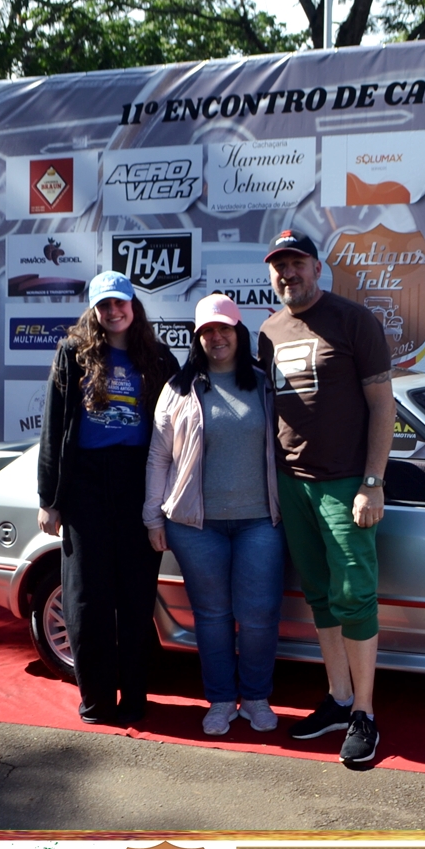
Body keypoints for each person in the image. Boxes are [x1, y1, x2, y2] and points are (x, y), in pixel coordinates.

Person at [257, 230, 394, 764]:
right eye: (279, 266)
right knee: (319, 595)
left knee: (354, 596)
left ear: (316, 267)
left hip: (345, 484)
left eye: (296, 263)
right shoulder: (268, 331)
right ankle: (338, 698)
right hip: (292, 484)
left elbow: (383, 405)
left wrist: (372, 482)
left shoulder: (354, 320)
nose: (287, 273)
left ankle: (364, 713)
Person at [37, 271, 178, 726]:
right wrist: (49, 498)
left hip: (139, 481)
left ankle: (135, 698)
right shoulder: (73, 353)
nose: (113, 312)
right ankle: (97, 700)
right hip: (86, 487)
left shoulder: (158, 356)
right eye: (104, 305)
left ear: (133, 305)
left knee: (136, 598)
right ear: (94, 310)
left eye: (120, 303)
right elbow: (53, 427)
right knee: (87, 598)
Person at [144, 294, 285, 736]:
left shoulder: (264, 383)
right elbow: (158, 458)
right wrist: (152, 518)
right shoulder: (178, 388)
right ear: (197, 338)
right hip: (195, 526)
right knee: (212, 616)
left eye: (224, 328)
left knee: (259, 615)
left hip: (260, 521)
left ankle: (256, 697)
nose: (216, 337)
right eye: (207, 331)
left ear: (239, 332)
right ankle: (221, 699)